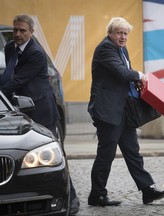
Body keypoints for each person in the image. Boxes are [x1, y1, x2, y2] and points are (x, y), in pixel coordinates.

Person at [0, 14, 80, 215]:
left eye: (22, 31)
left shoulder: (36, 53)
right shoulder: (10, 48)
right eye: (16, 30)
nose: (17, 34)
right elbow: (7, 75)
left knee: (55, 155)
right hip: (20, 109)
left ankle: (72, 199)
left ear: (31, 32)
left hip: (42, 110)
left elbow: (17, 81)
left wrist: (1, 93)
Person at [87, 17, 164, 206]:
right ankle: (97, 195)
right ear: (110, 33)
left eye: (125, 33)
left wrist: (137, 78)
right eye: (119, 33)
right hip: (108, 112)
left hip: (122, 111)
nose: (123, 37)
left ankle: (147, 190)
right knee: (106, 155)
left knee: (133, 151)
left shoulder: (120, 48)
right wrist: (141, 75)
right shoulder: (105, 48)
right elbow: (122, 73)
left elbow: (126, 71)